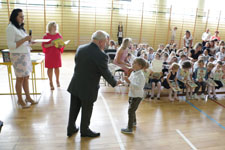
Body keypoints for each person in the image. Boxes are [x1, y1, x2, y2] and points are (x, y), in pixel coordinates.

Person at [67, 30, 122, 138]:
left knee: (73, 108)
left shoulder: (80, 48)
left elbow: (78, 63)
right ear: (101, 42)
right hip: (88, 87)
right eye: (105, 42)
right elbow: (105, 72)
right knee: (87, 109)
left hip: (76, 84)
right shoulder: (101, 55)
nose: (106, 44)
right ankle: (85, 130)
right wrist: (115, 82)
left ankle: (71, 128)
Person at [6, 8, 38, 108]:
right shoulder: (10, 28)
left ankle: (27, 97)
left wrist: (29, 42)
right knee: (20, 78)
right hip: (18, 56)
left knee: (26, 77)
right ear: (15, 17)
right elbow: (11, 45)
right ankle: (20, 100)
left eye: (23, 16)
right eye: (21, 16)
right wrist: (25, 39)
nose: (23, 18)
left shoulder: (19, 27)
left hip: (25, 55)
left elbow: (22, 42)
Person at [121, 58, 146, 134]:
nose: (132, 63)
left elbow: (139, 87)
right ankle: (134, 122)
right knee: (132, 110)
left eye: (135, 63)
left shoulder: (141, 76)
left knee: (130, 111)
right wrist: (123, 82)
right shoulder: (133, 73)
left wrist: (128, 82)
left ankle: (129, 128)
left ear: (140, 66)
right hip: (132, 94)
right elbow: (129, 83)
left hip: (137, 96)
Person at [42, 21, 64, 90]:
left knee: (57, 68)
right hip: (49, 54)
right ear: (50, 27)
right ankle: (50, 82)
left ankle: (57, 80)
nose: (55, 28)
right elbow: (44, 45)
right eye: (53, 26)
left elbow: (61, 45)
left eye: (55, 26)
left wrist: (60, 46)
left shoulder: (58, 35)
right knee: (50, 68)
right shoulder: (46, 36)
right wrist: (50, 44)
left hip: (56, 54)